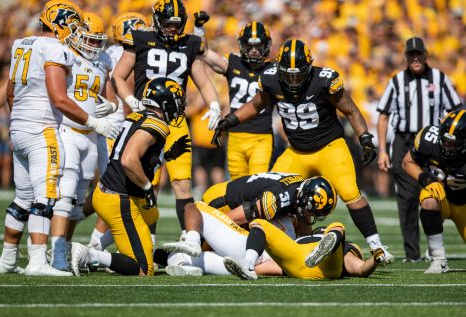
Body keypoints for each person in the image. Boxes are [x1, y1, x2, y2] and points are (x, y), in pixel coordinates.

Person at [214, 39, 393, 263]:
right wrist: (230, 120)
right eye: (288, 75)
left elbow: (351, 110)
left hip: (330, 147)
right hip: (296, 151)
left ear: (308, 68)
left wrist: (365, 139)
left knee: (349, 193)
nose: (293, 80)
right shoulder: (270, 79)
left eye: (298, 74)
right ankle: (282, 244)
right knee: (269, 196)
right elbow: (256, 104)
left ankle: (377, 246)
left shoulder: (324, 80)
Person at [0, 0, 116, 276]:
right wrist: (94, 121)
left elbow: (10, 92)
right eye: (72, 25)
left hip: (20, 127)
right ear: (60, 24)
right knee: (47, 196)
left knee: (22, 198)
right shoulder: (55, 49)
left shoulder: (22, 44)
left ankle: (7, 259)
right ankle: (37, 262)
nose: (75, 32)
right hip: (43, 129)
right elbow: (59, 98)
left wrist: (17, 124)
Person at [111, 0, 221, 236]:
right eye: (168, 23)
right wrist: (130, 101)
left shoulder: (189, 44)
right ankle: (146, 239)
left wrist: (214, 104)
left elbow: (202, 80)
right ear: (158, 21)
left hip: (176, 121)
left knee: (183, 184)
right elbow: (118, 76)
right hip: (148, 119)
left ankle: (188, 241)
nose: (173, 28)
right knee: (150, 185)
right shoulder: (140, 40)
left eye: (177, 24)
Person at [70, 77, 190, 276]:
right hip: (119, 198)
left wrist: (166, 157)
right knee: (144, 268)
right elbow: (128, 160)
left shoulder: (137, 116)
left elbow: (140, 158)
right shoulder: (158, 125)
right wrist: (147, 187)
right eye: (177, 103)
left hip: (107, 191)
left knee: (152, 213)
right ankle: (90, 254)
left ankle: (99, 245)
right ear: (165, 102)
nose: (179, 109)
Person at [377, 37, 462, 262]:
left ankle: (433, 245)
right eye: (411, 55)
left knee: (438, 192)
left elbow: (457, 110)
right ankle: (412, 253)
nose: (415, 58)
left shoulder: (440, 78)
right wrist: (383, 150)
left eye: (419, 54)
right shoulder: (396, 81)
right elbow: (383, 115)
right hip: (404, 141)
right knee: (406, 198)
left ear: (426, 55)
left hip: (435, 144)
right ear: (405, 57)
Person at [48, 11, 119, 271]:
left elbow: (112, 97)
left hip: (90, 137)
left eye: (97, 40)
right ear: (76, 35)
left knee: (78, 202)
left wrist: (110, 107)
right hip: (67, 131)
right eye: (88, 39)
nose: (93, 45)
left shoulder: (102, 60)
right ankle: (54, 253)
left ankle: (63, 249)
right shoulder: (63, 55)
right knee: (64, 196)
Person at [88, 12, 150, 254]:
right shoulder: (129, 53)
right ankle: (94, 246)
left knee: (106, 189)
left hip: (101, 124)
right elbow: (126, 86)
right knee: (117, 190)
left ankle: (83, 233)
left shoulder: (108, 52)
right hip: (118, 126)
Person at [162, 175, 336, 260]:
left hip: (245, 202)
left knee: (287, 235)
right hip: (221, 202)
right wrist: (207, 236)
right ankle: (175, 254)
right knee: (212, 243)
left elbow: (304, 236)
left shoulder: (298, 192)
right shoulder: (278, 200)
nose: (310, 216)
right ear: (304, 198)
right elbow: (231, 220)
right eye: (311, 211)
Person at [196, 14, 274, 179]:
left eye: (258, 46)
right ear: (242, 45)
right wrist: (198, 28)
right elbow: (204, 53)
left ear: (266, 46)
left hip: (261, 137)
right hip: (236, 136)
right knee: (238, 187)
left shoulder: (273, 70)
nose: (253, 50)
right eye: (250, 45)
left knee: (257, 183)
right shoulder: (233, 63)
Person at [402, 109, 466, 273]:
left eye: (453, 144)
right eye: (444, 141)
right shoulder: (428, 138)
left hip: (464, 204)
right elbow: (407, 162)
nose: (447, 147)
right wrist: (426, 179)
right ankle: (438, 259)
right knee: (428, 200)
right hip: (441, 197)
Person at [223, 221, 386, 280]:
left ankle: (323, 250)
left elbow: (360, 268)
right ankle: (248, 264)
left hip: (307, 265)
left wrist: (375, 260)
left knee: (336, 226)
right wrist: (375, 258)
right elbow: (361, 269)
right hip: (306, 261)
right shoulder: (345, 246)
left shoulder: (347, 248)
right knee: (259, 223)